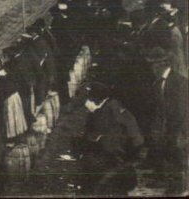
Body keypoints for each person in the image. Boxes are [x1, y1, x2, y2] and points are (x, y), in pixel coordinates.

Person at [75, 81, 144, 196]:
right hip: (116, 162)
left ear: (94, 99)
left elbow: (132, 139)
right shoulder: (107, 108)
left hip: (113, 166)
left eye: (86, 101)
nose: (85, 105)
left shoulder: (110, 111)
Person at [144, 46, 188, 194]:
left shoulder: (179, 82)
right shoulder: (158, 83)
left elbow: (181, 110)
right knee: (167, 153)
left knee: (177, 155)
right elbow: (159, 108)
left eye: (153, 65)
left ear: (160, 65)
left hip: (179, 126)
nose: (151, 68)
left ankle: (179, 187)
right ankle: (168, 181)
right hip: (166, 126)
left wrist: (174, 131)